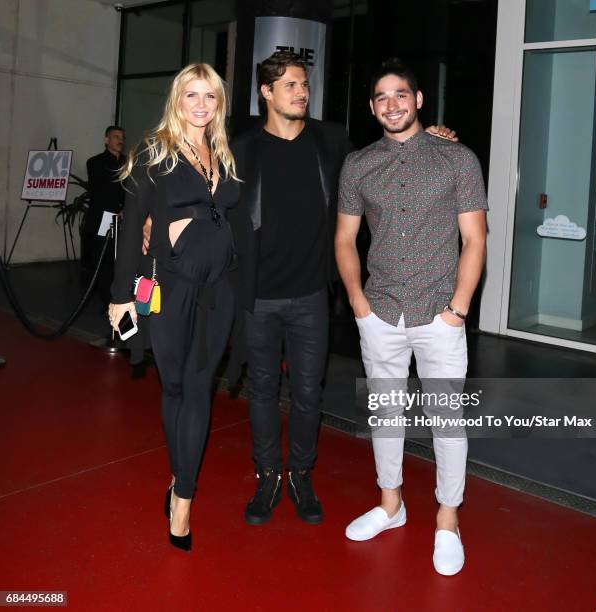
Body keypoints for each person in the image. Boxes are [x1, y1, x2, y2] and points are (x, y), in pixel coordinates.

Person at [228, 51, 458, 527]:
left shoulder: (330, 142)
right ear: (266, 93)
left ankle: (300, 475)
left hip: (313, 294)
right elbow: (207, 193)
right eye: (291, 85)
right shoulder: (242, 148)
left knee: (310, 392)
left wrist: (432, 139)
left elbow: (386, 155)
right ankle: (268, 474)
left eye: (304, 84)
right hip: (257, 296)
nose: (302, 92)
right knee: (264, 391)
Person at [335, 59, 487, 576]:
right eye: (382, 97)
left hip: (439, 313)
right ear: (372, 107)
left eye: (401, 95)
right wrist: (359, 303)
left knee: (448, 422)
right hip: (381, 312)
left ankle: (448, 519)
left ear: (418, 100)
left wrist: (458, 309)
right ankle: (390, 506)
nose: (392, 104)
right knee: (386, 416)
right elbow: (344, 239)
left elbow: (475, 239)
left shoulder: (457, 159)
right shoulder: (358, 165)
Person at [108, 63, 240, 552]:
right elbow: (134, 226)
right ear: (177, 100)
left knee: (200, 388)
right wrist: (122, 295)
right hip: (167, 287)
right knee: (176, 385)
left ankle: (183, 497)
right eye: (192, 95)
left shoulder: (223, 153)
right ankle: (178, 471)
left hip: (219, 290)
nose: (201, 104)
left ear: (218, 103)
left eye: (210, 96)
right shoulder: (155, 152)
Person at [83, 126, 126, 310]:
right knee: (103, 258)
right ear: (106, 140)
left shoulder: (127, 162)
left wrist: (126, 208)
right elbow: (103, 189)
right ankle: (106, 300)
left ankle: (120, 296)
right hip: (104, 217)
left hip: (124, 217)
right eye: (116, 137)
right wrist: (117, 207)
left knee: (121, 259)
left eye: (122, 137)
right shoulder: (95, 162)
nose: (120, 140)